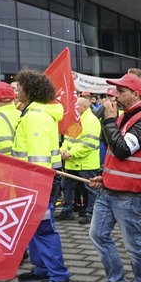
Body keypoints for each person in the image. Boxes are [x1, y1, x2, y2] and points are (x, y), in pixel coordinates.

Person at [85, 73, 141, 282]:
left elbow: (121, 150)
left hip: (129, 195)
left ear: (136, 93)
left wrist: (108, 120)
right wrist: (106, 175)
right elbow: (117, 158)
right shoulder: (126, 117)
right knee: (98, 235)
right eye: (115, 91)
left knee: (134, 244)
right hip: (110, 190)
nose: (115, 96)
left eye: (120, 91)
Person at [13, 70, 71, 282]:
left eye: (18, 87)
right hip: (33, 179)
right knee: (34, 227)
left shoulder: (35, 116)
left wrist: (34, 182)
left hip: (37, 180)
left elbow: (37, 156)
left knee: (44, 229)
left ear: (30, 90)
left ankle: (58, 275)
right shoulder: (30, 113)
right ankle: (42, 268)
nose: (15, 91)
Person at [59, 96, 101, 225]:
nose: (74, 108)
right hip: (73, 161)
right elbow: (68, 139)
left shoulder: (92, 121)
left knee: (90, 190)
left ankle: (90, 214)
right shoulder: (77, 120)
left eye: (77, 106)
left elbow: (88, 144)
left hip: (86, 163)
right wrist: (63, 150)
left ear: (85, 107)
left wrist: (69, 153)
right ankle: (67, 211)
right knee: (67, 187)